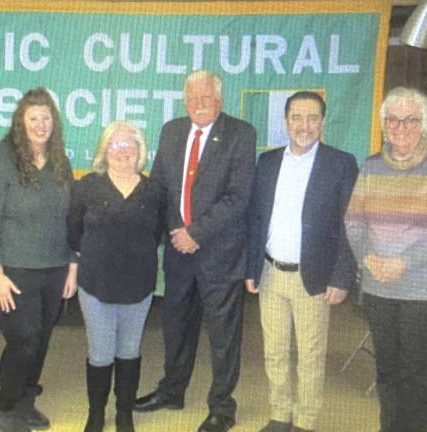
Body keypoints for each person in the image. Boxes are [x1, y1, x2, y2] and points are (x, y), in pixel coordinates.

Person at [134, 69, 256, 432]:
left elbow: (239, 196)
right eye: (192, 98)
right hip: (177, 251)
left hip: (220, 251)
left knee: (223, 335)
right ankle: (172, 390)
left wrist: (196, 233)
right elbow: (159, 187)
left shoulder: (240, 133)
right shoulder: (171, 131)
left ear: (219, 100)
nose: (199, 104)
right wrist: (170, 232)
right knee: (176, 327)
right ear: (184, 100)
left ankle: (222, 407)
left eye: (206, 98)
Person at [344, 87, 427, 432]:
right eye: (393, 119)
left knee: (415, 376)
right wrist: (368, 257)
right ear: (384, 124)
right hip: (379, 287)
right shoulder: (371, 165)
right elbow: (353, 220)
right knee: (387, 371)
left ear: (424, 124)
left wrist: (403, 263)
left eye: (411, 120)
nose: (401, 127)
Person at [244, 91, 358, 432]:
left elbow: (349, 223)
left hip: (314, 277)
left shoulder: (340, 163)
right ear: (285, 122)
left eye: (312, 119)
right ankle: (280, 415)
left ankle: (305, 421)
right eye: (296, 118)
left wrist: (341, 277)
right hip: (270, 272)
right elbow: (255, 219)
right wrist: (251, 268)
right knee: (274, 352)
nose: (303, 126)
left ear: (322, 124)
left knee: (310, 356)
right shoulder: (267, 161)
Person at [0, 87, 77, 432]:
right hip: (11, 268)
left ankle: (26, 400)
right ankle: (6, 405)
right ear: (21, 121)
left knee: (42, 337)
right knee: (24, 338)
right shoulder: (3, 158)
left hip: (54, 266)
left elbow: (71, 218)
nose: (41, 124)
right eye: (33, 117)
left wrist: (71, 265)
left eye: (46, 117)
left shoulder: (60, 159)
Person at [68, 121, 164, 432]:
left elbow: (158, 233)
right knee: (100, 352)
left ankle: (124, 412)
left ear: (140, 152)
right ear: (104, 151)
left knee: (129, 351)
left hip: (139, 285)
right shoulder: (85, 187)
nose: (123, 151)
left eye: (130, 145)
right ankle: (96, 413)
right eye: (116, 145)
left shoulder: (154, 191)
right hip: (96, 284)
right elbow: (73, 233)